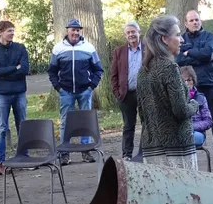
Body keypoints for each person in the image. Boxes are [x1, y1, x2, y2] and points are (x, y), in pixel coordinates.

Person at [138, 15, 199, 169]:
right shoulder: (169, 68)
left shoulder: (143, 71)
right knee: (185, 192)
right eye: (178, 35)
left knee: (158, 193)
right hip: (176, 149)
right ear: (164, 39)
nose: (182, 39)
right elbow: (180, 110)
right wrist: (194, 104)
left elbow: (142, 113)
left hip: (151, 147)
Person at [48, 18, 104, 166]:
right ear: (67, 31)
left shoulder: (88, 48)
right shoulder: (58, 48)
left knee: (85, 121)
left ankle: (85, 151)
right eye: (73, 29)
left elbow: (98, 69)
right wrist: (58, 87)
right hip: (65, 91)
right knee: (65, 122)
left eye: (78, 30)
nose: (75, 32)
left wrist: (91, 86)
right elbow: (52, 71)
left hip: (84, 91)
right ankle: (64, 154)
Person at [176, 10, 213, 162]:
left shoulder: (209, 37)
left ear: (201, 21)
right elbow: (179, 60)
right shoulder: (181, 39)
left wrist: (189, 52)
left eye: (197, 20)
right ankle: (189, 148)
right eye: (191, 20)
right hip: (188, 86)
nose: (195, 22)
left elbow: (208, 54)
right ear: (186, 23)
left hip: (208, 83)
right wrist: (195, 56)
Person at [0, 20, 29, 176]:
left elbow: (25, 69)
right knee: (2, 129)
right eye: (9, 31)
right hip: (2, 94)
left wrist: (5, 70)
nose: (12, 33)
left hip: (19, 92)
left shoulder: (20, 48)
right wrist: (14, 68)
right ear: (0, 32)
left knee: (22, 126)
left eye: (13, 30)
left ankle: (25, 158)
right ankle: (1, 163)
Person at [111, 21, 142, 159]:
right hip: (126, 95)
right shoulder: (119, 51)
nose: (131, 35)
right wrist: (117, 93)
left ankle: (143, 152)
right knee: (128, 126)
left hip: (144, 94)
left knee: (147, 124)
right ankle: (127, 154)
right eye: (128, 33)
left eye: (133, 31)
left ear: (138, 32)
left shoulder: (148, 49)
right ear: (125, 35)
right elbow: (114, 74)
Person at [180, 66, 212, 147]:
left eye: (189, 80)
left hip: (197, 132)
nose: (187, 83)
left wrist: (192, 127)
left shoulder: (201, 98)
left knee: (193, 138)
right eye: (184, 81)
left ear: (193, 81)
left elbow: (208, 121)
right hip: (180, 132)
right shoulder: (176, 99)